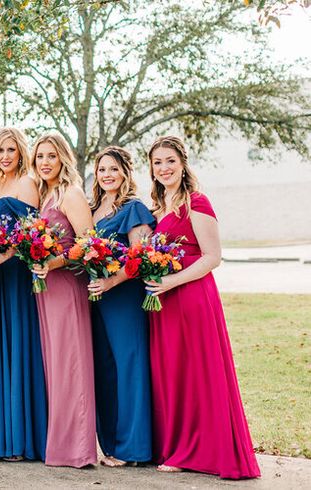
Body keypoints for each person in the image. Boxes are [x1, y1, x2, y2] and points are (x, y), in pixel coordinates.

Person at [146, 136, 260, 479]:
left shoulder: (196, 202)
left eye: (170, 161)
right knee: (174, 374)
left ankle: (203, 450)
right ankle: (179, 446)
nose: (164, 168)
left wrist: (170, 281)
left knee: (198, 372)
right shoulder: (157, 208)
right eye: (157, 163)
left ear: (183, 163)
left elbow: (212, 257)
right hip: (163, 303)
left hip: (192, 298)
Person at [30, 132, 97, 467]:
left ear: (63, 159)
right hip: (46, 290)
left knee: (71, 363)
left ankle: (78, 448)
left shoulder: (70, 193)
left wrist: (53, 262)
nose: (45, 162)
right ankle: (61, 444)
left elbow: (88, 244)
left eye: (51, 156)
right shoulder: (45, 196)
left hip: (67, 285)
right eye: (40, 156)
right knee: (56, 363)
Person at [0, 127, 47, 461]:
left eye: (10, 150)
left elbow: (33, 236)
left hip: (18, 274)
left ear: (21, 152)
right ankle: (5, 436)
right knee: (1, 348)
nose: (5, 156)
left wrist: (4, 256)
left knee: (19, 346)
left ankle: (21, 441)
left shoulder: (26, 183)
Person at [87, 146, 154, 467]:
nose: (107, 175)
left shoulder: (135, 209)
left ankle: (134, 449)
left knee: (130, 366)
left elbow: (139, 258)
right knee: (105, 369)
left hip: (122, 296)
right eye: (102, 170)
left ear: (125, 172)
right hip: (95, 298)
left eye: (113, 169)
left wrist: (110, 282)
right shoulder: (93, 209)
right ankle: (111, 444)